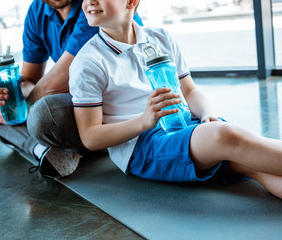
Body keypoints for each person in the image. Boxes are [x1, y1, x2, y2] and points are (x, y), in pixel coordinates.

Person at [69, 0, 282, 199]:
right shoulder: (87, 62)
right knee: (228, 135)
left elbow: (189, 90)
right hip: (141, 146)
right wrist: (145, 120)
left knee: (255, 166)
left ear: (132, 1)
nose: (89, 1)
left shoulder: (160, 37)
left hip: (186, 124)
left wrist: (207, 114)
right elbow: (90, 137)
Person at [0, 0, 143, 178]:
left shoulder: (95, 7)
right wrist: (9, 95)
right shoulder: (37, 10)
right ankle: (42, 149)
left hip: (112, 106)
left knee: (43, 114)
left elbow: (54, 84)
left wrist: (18, 109)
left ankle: (93, 143)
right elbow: (31, 79)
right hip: (80, 100)